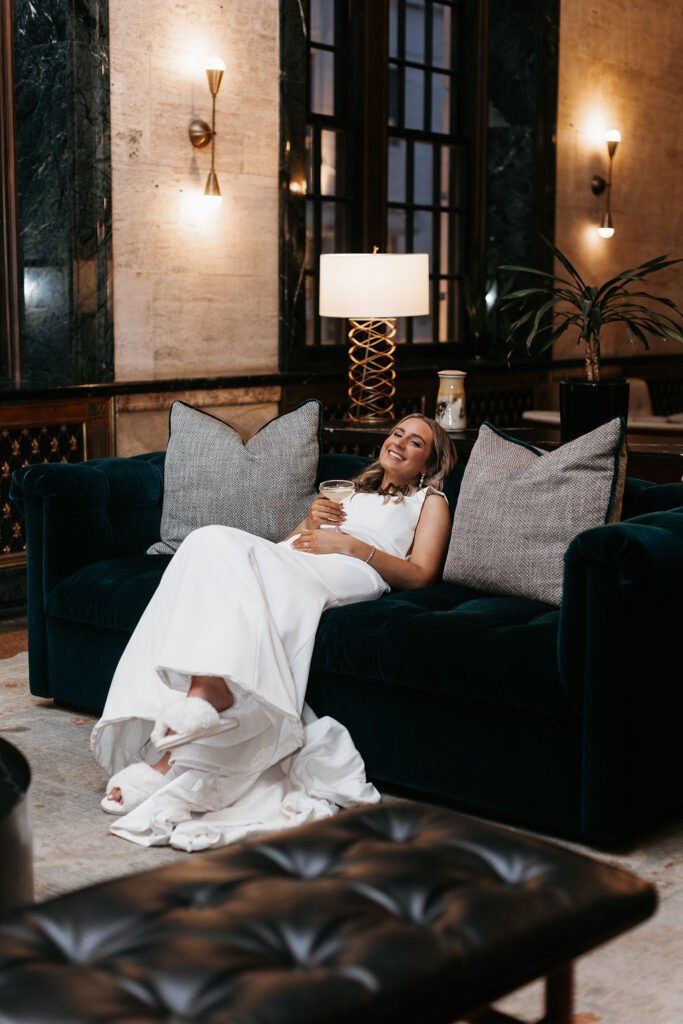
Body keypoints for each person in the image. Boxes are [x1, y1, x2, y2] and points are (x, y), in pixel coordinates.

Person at [90, 414, 456, 850]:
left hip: (351, 569)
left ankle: (183, 738)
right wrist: (310, 523)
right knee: (204, 542)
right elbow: (294, 542)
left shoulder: (430, 501)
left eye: (415, 442)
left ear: (427, 463)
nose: (399, 442)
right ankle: (198, 707)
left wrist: (355, 546)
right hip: (297, 558)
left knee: (216, 544)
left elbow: (421, 575)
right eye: (397, 433)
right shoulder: (353, 489)